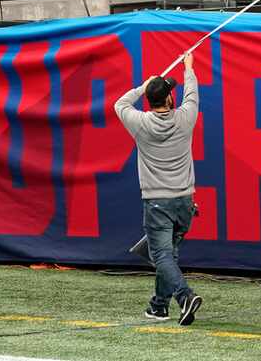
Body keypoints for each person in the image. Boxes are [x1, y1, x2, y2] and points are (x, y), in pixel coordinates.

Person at [114, 52, 202, 325]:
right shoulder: (186, 118)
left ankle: (184, 296)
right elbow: (192, 93)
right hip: (185, 201)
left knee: (161, 256)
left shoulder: (138, 122)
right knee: (169, 256)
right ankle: (159, 306)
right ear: (169, 99)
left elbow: (120, 103)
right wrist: (189, 68)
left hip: (156, 202)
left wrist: (143, 86)